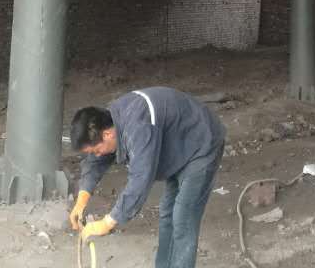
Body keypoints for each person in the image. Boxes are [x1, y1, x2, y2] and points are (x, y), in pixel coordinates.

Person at [69, 87, 226, 268]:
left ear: (107, 134)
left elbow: (140, 181)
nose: (97, 155)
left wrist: (107, 222)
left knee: (184, 216)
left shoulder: (138, 129)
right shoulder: (109, 123)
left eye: (96, 150)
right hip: (178, 146)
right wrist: (82, 200)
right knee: (168, 213)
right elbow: (95, 162)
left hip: (201, 144)